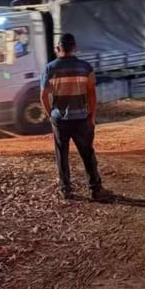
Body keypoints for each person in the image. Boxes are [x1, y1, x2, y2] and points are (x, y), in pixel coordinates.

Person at [40, 33, 111, 202]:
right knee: (87, 154)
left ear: (58, 49)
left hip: (60, 120)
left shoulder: (49, 69)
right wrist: (92, 116)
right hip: (82, 119)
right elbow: (92, 93)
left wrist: (51, 115)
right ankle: (95, 189)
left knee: (62, 154)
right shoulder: (86, 68)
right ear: (74, 48)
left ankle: (66, 190)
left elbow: (43, 96)